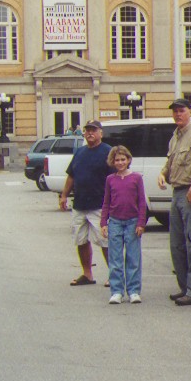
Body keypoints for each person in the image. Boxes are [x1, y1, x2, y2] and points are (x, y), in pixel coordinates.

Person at [157, 98, 191, 306]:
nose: (177, 114)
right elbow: (170, 161)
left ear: (190, 111)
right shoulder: (175, 136)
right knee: (177, 244)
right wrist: (163, 174)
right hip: (177, 192)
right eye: (175, 111)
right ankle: (185, 287)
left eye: (181, 111)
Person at [59, 120, 113, 287]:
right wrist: (64, 195)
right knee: (81, 240)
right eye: (87, 130)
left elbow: (114, 179)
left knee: (105, 241)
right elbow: (71, 175)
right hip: (80, 204)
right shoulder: (80, 152)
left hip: (99, 205)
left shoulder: (108, 152)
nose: (90, 133)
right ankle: (87, 274)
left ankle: (114, 274)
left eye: (94, 130)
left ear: (100, 133)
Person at [100, 145, 147, 304]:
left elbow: (141, 202)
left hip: (133, 222)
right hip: (115, 221)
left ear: (128, 160)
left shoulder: (136, 178)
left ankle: (134, 290)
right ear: (112, 162)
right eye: (117, 160)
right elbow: (106, 201)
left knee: (133, 258)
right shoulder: (110, 179)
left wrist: (141, 222)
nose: (120, 162)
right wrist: (103, 222)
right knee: (115, 258)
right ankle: (117, 291)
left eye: (123, 159)